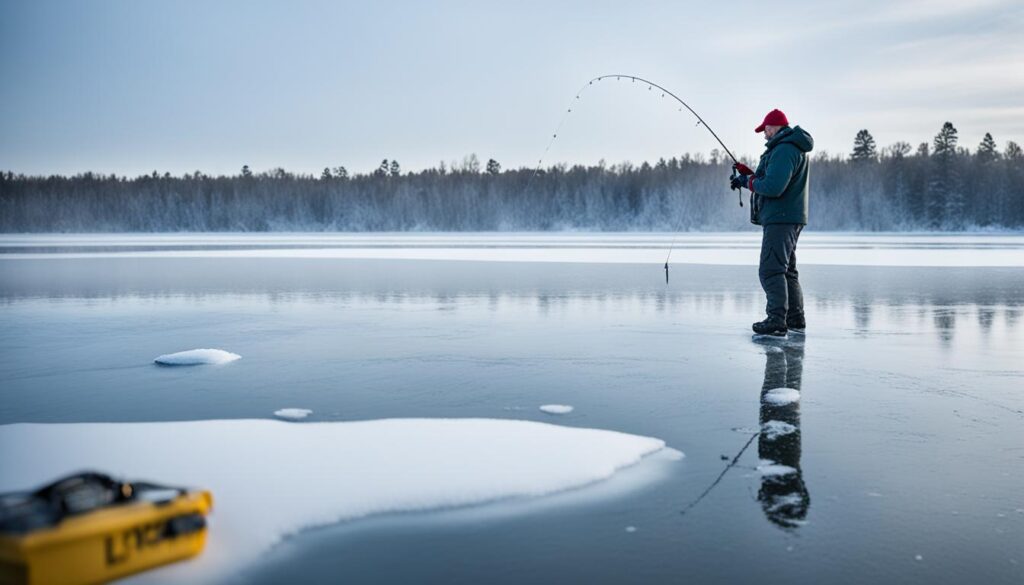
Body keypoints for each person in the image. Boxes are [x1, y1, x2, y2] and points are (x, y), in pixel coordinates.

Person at [731, 109, 814, 336]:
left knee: (770, 270)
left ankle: (776, 321)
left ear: (776, 127)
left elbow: (774, 187)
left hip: (781, 218)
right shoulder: (790, 148)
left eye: (766, 129)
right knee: (787, 270)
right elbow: (770, 178)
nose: (764, 135)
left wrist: (749, 183)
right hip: (789, 216)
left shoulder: (784, 150)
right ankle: (795, 319)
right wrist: (746, 176)